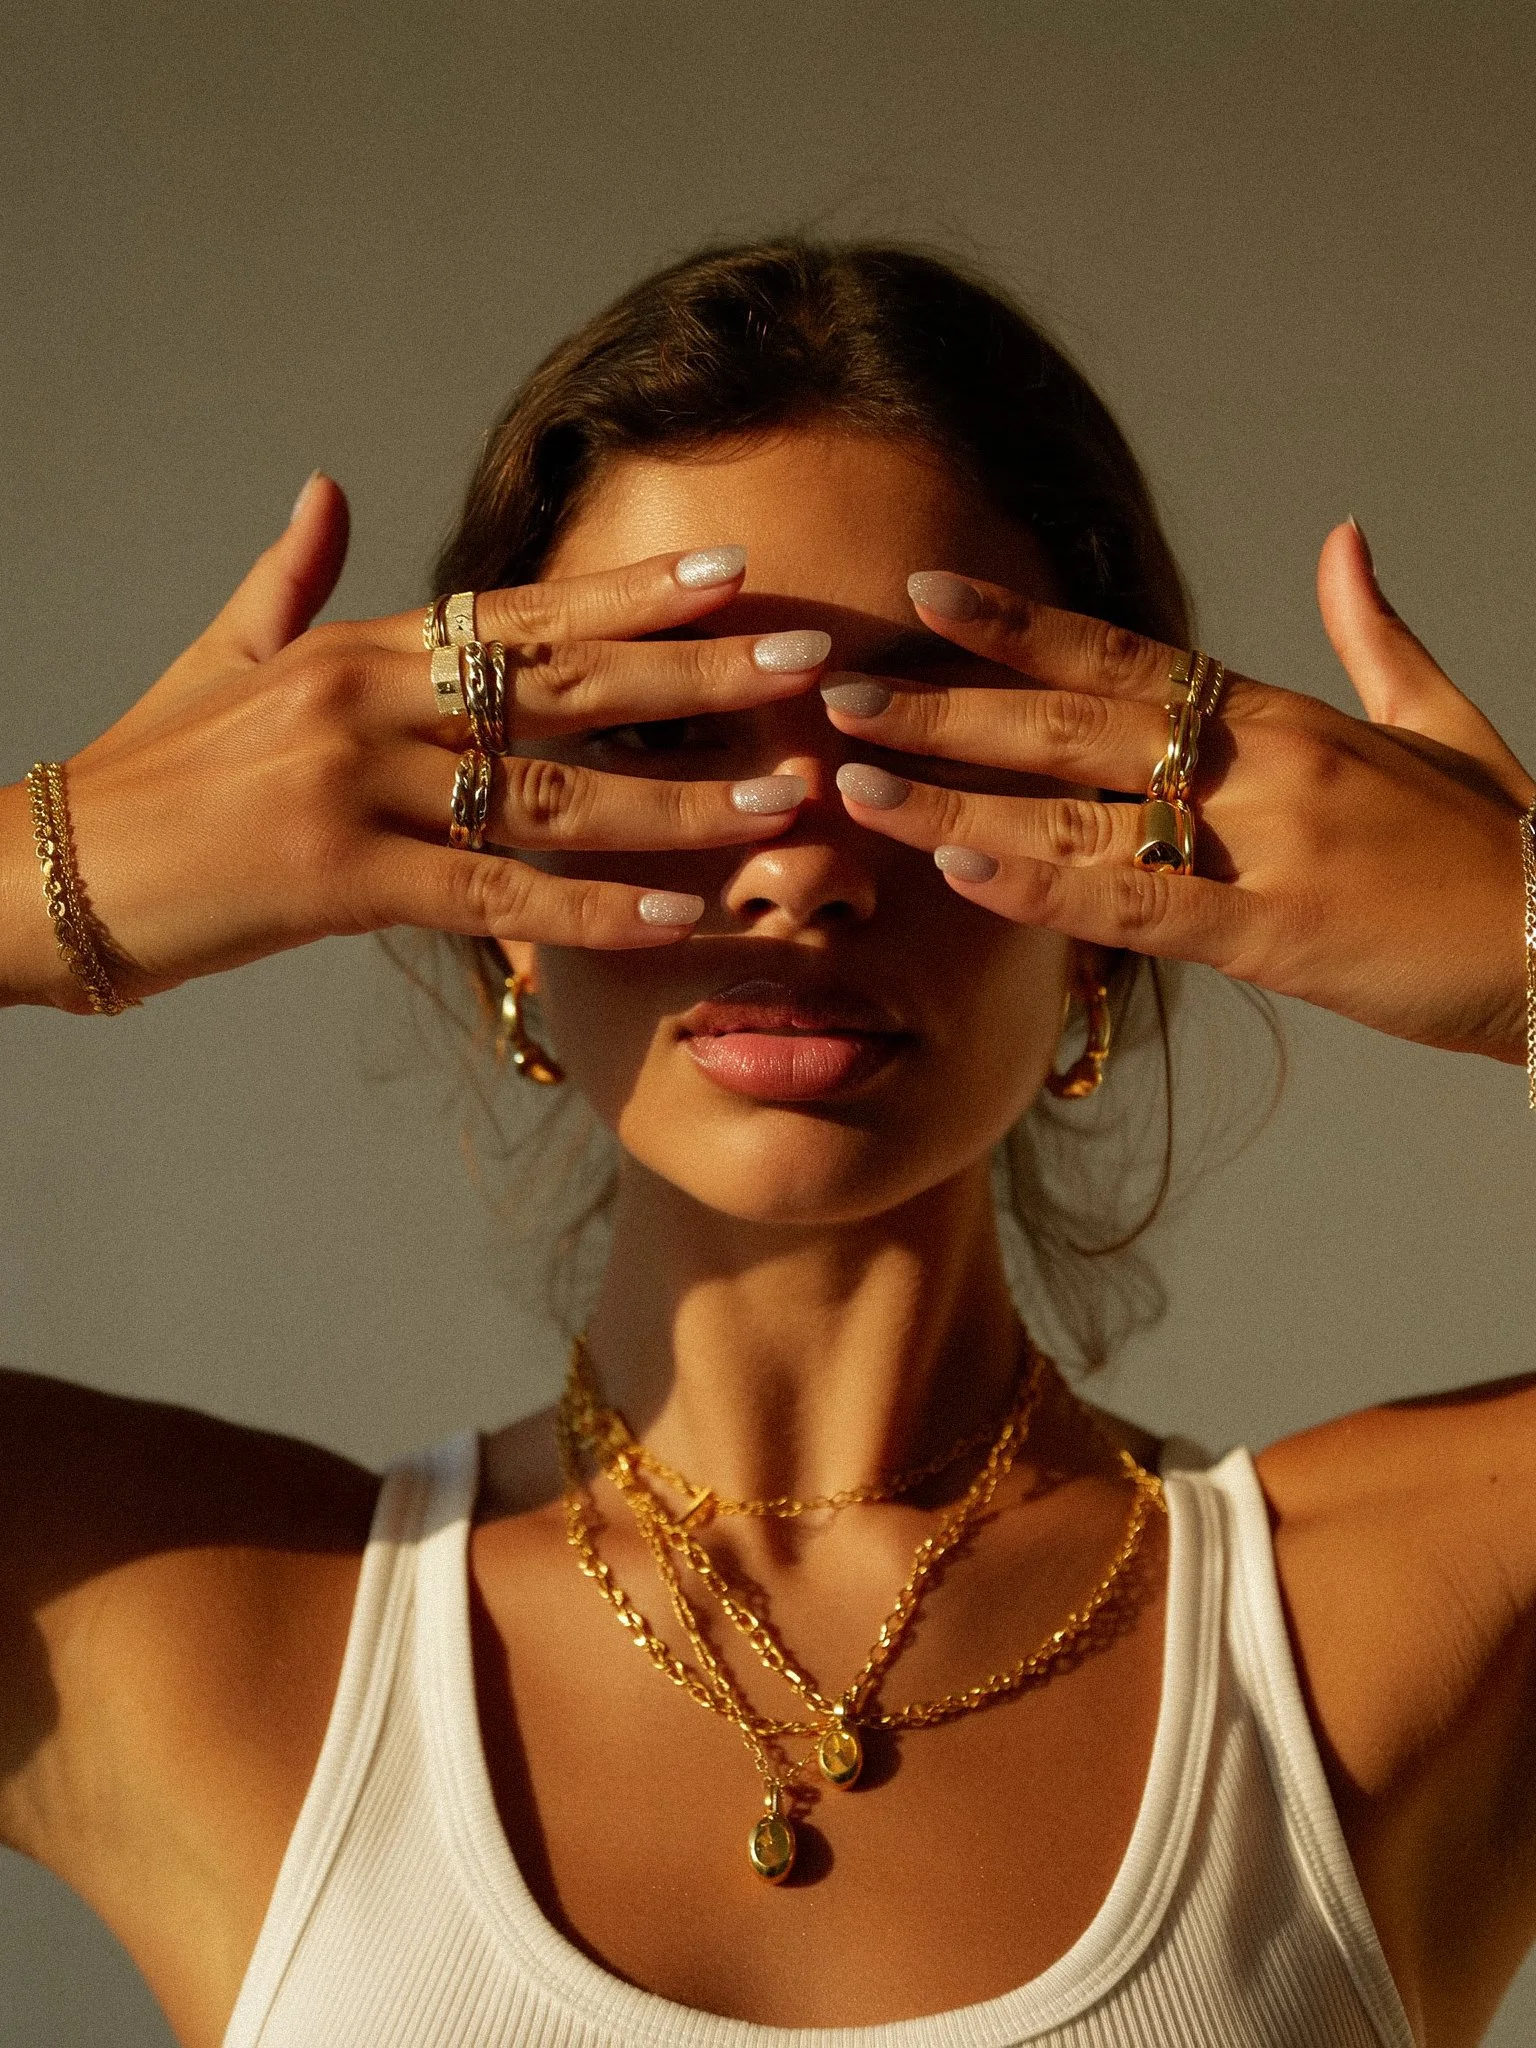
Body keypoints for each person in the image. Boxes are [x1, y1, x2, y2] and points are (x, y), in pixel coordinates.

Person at [2, 240, 1532, 2048]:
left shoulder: (1415, 1607)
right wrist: (45, 876)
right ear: (481, 889)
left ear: (1123, 893)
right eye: (650, 738)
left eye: (929, 736)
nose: (797, 857)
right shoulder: (193, 1627)